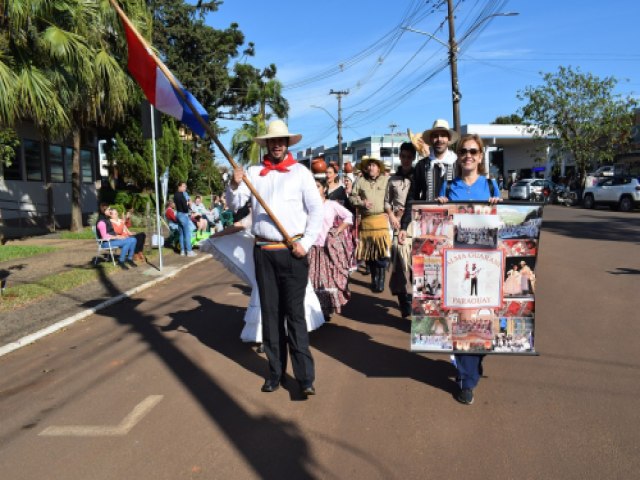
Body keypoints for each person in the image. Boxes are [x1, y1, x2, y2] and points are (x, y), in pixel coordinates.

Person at [226, 119, 323, 396]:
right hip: (264, 253)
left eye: (281, 140)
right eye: (272, 140)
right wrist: (234, 185)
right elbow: (235, 205)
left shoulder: (301, 173)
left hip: (293, 252)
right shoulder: (254, 173)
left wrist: (306, 243)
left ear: (287, 143)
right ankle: (275, 373)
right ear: (266, 144)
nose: (277, 144)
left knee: (295, 316)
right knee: (270, 316)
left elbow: (315, 211)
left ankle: (305, 378)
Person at [435, 133, 502, 406]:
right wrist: (438, 207)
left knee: (483, 319)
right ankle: (466, 380)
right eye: (463, 151)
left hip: (486, 263)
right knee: (462, 317)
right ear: (458, 155)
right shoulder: (448, 185)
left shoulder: (492, 185)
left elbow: (503, 223)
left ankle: (475, 360)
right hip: (457, 264)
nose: (468, 156)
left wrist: (499, 206)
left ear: (481, 155)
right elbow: (437, 220)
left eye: (473, 151)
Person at [199, 212, 325, 348]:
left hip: (290, 254)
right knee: (268, 296)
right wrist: (216, 235)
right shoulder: (259, 208)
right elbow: (240, 225)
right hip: (266, 256)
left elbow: (311, 223)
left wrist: (304, 244)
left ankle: (294, 335)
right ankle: (268, 336)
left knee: (292, 295)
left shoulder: (295, 203)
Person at [309, 179, 354, 319]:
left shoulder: (331, 205)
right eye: (313, 187)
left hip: (328, 249)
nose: (315, 189)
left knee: (327, 280)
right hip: (311, 249)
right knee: (312, 280)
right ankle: (315, 309)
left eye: (317, 186)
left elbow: (349, 216)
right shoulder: (307, 206)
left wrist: (338, 230)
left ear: (324, 189)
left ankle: (327, 309)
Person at [348, 156, 391, 293]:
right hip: (366, 223)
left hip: (381, 221)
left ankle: (381, 281)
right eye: (369, 165)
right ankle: (374, 279)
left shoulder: (386, 181)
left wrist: (390, 211)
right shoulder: (360, 181)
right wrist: (362, 203)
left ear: (379, 168)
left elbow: (394, 197)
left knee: (381, 253)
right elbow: (352, 197)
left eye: (374, 165)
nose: (371, 168)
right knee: (370, 255)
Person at [385, 142, 416, 317]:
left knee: (414, 264)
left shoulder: (418, 178)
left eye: (409, 157)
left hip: (415, 224)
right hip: (398, 225)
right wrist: (391, 216)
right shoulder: (392, 180)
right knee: (399, 262)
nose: (405, 160)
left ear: (413, 158)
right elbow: (387, 202)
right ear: (400, 157)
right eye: (403, 156)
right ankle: (403, 299)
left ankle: (415, 297)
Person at [95, 202, 137, 269]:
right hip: (105, 243)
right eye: (109, 209)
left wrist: (118, 236)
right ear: (104, 211)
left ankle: (129, 259)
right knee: (127, 241)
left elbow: (114, 230)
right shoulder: (101, 222)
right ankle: (121, 261)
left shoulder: (107, 220)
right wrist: (117, 236)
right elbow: (105, 236)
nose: (110, 211)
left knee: (133, 239)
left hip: (113, 240)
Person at [174, 181, 196, 257]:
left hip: (178, 214)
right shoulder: (181, 195)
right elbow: (185, 207)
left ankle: (182, 251)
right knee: (187, 233)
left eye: (185, 186)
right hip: (183, 215)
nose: (185, 188)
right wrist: (188, 205)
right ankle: (189, 251)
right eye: (183, 186)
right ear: (179, 186)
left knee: (181, 234)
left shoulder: (175, 195)